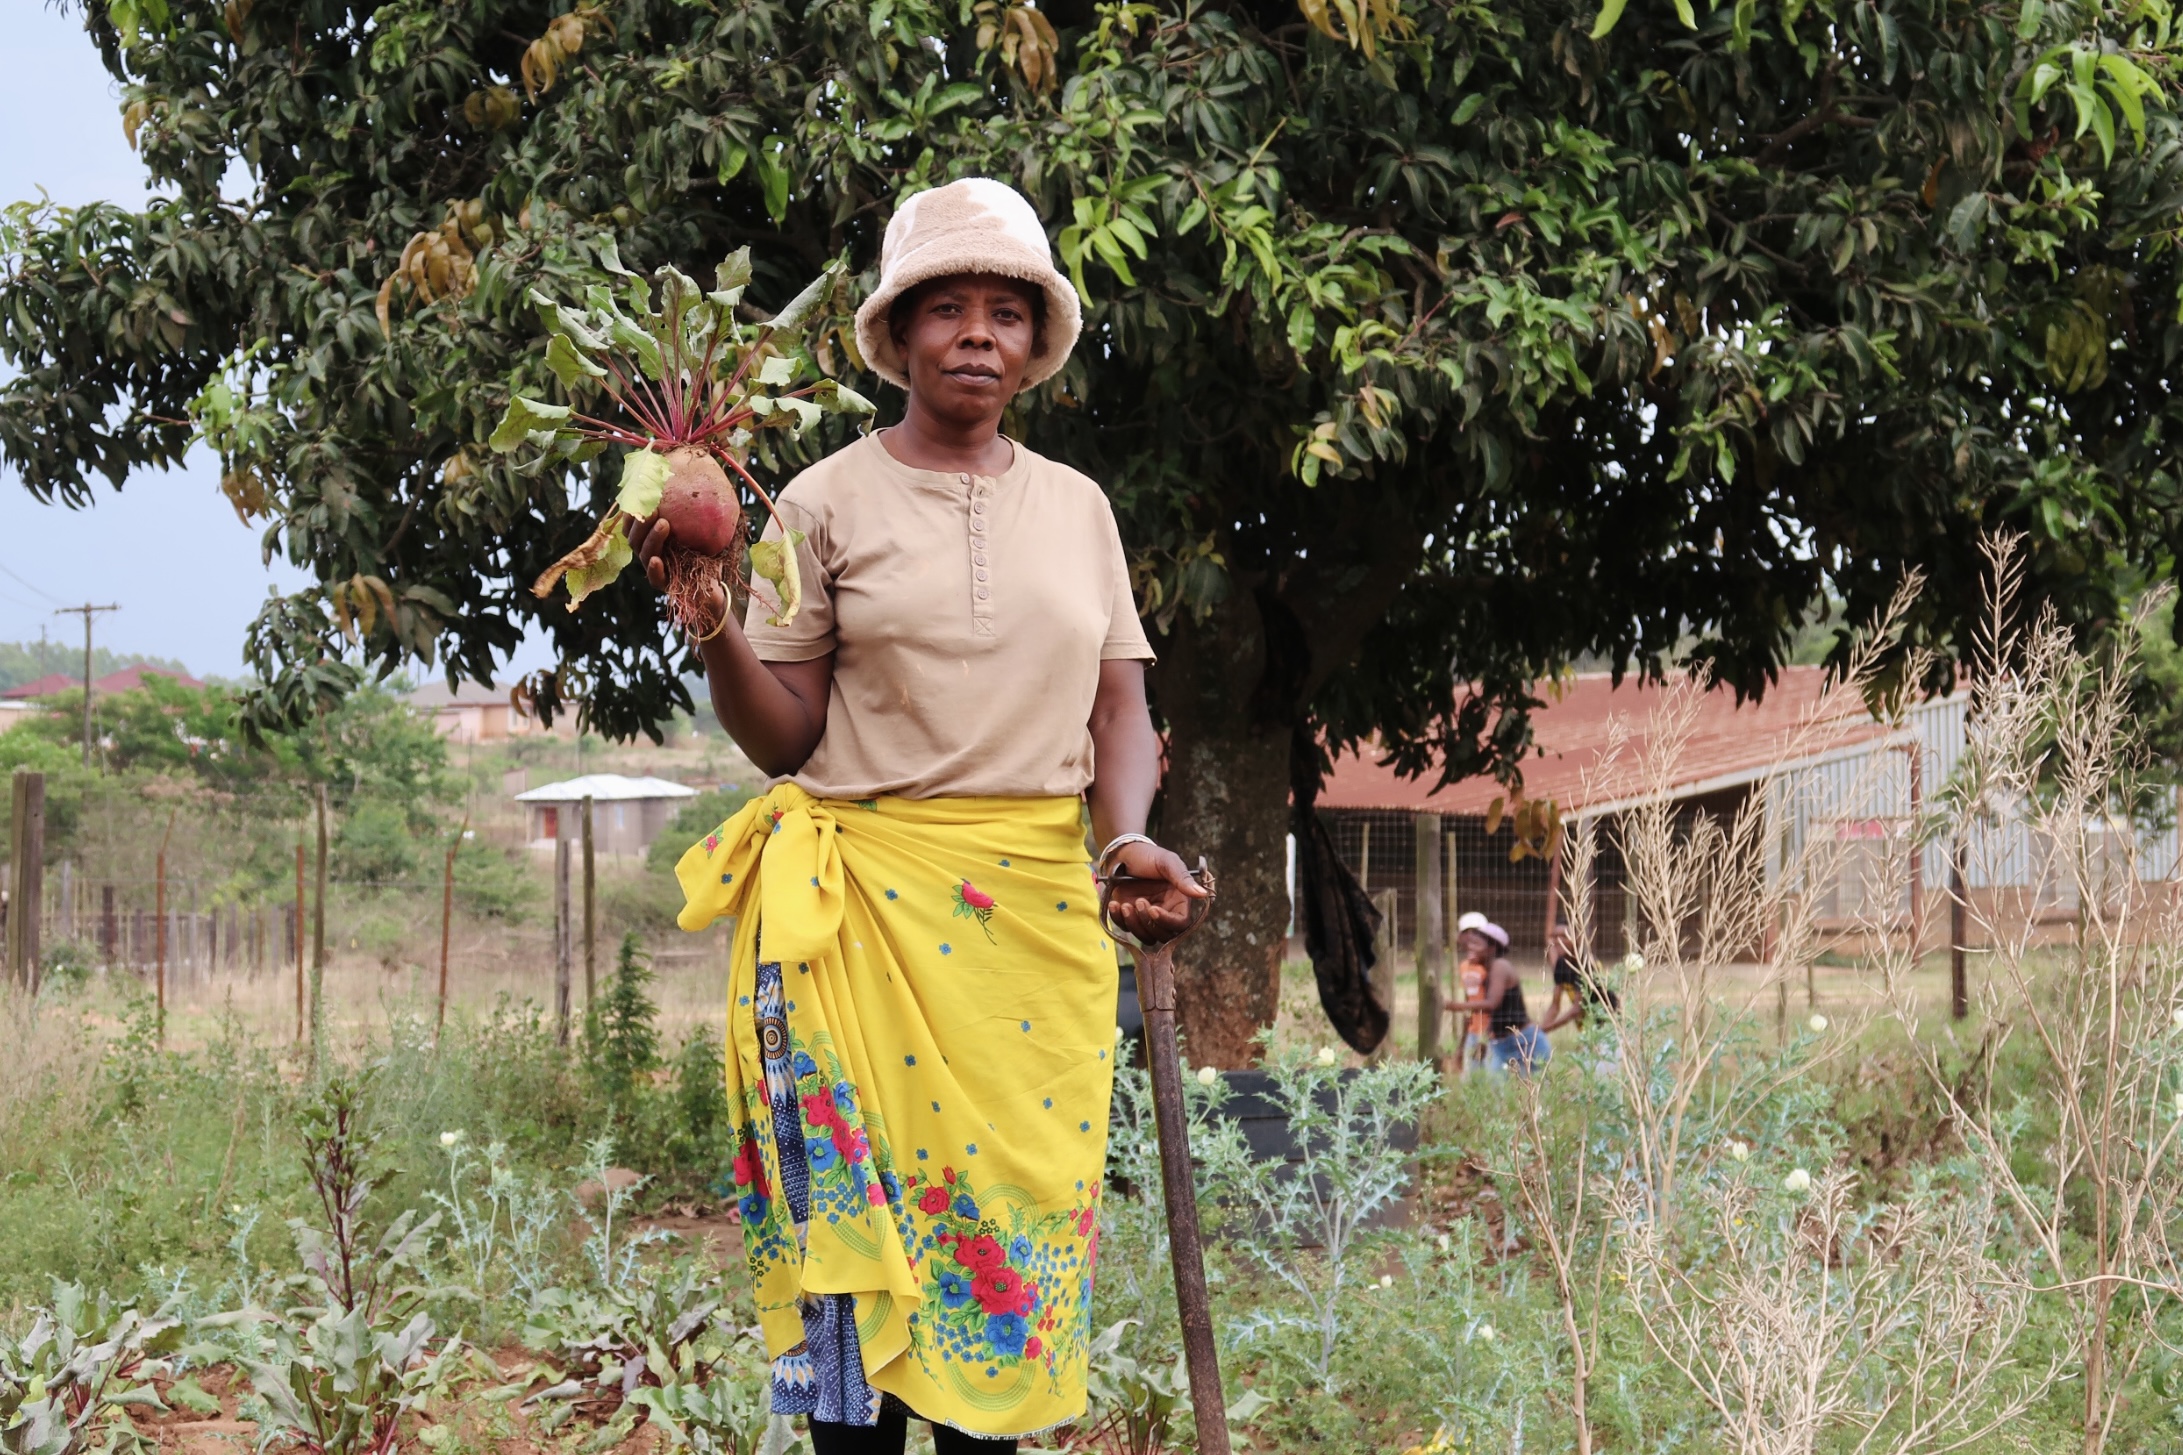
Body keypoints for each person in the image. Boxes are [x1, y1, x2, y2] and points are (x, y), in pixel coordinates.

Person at [645, 177, 1206, 1454]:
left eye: (1004, 313)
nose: (974, 334)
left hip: (1029, 934)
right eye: (943, 308)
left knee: (998, 1272)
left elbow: (1120, 712)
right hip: (854, 932)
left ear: (1032, 343)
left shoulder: (1079, 510)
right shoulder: (821, 501)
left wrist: (1123, 841)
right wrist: (718, 628)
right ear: (896, 336)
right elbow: (786, 735)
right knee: (850, 1333)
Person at [1446, 920, 1550, 1074]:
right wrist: (1484, 1041)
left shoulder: (1500, 967)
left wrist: (1454, 1006)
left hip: (1525, 1042)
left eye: (1476, 944)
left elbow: (1492, 1004)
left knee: (1534, 1092)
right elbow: (1495, 1014)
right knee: (1495, 1090)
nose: (1470, 947)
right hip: (1501, 1043)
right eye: (1470, 943)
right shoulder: (1487, 972)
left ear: (1491, 949)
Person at [1539, 925, 1619, 1035]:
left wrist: (1544, 1029)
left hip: (1608, 1020)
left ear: (1577, 938)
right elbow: (1555, 1006)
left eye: (1564, 936)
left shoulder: (1586, 964)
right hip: (1587, 1022)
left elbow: (1577, 1010)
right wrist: (1538, 1033)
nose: (1558, 941)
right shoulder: (1561, 964)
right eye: (1555, 937)